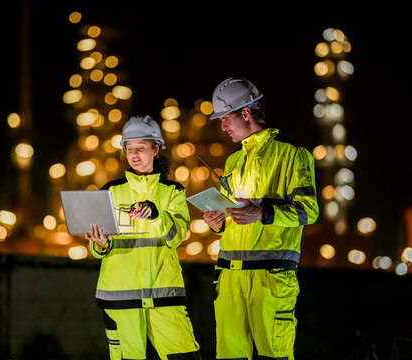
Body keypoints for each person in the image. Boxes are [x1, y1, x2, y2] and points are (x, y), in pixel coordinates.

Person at [203, 77, 319, 359]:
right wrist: (218, 223)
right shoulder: (233, 161)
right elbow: (233, 215)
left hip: (271, 276)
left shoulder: (293, 154)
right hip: (230, 276)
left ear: (245, 113)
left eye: (226, 118)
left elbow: (308, 211)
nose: (223, 126)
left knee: (273, 354)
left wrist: (264, 213)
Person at [85, 115, 202, 360]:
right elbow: (100, 249)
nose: (134, 154)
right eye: (129, 149)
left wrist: (156, 215)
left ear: (155, 149)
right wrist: (99, 243)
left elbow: (177, 236)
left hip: (163, 295)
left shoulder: (172, 192)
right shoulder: (111, 191)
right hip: (120, 296)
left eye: (141, 148)